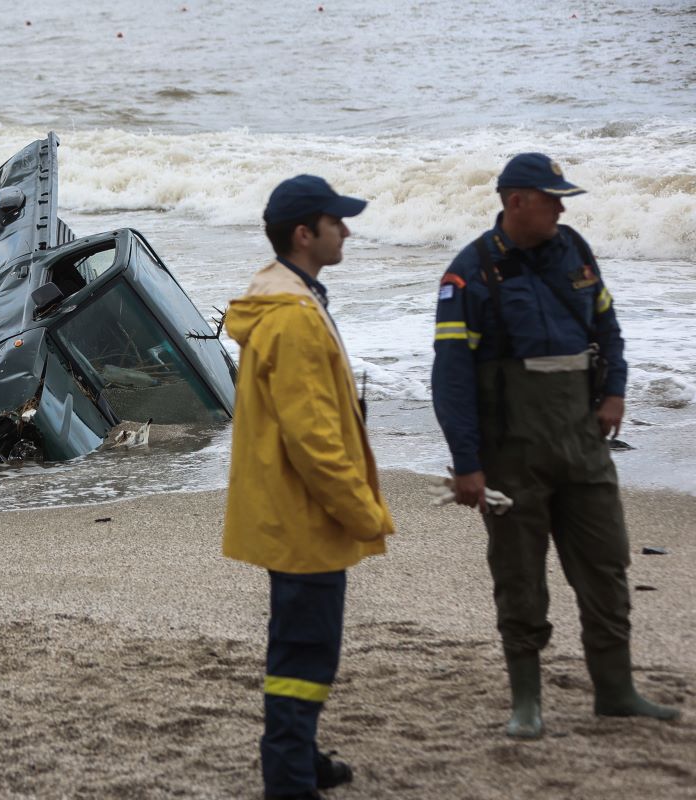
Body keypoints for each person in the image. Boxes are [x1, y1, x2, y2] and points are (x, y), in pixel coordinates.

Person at [431, 152, 680, 739]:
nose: (562, 207)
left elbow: (609, 329)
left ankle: (616, 692)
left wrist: (614, 393)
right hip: (511, 455)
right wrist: (467, 465)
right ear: (516, 201)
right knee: (520, 577)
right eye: (552, 197)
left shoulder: (575, 250)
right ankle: (527, 704)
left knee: (606, 566)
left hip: (583, 443)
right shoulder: (470, 273)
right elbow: (450, 377)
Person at [223, 175, 394, 800]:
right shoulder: (293, 316)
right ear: (305, 233)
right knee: (305, 653)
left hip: (288, 508)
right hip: (303, 514)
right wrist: (364, 511)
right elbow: (314, 438)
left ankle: (300, 756)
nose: (346, 230)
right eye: (336, 221)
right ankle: (290, 778)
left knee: (301, 644)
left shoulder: (288, 298)